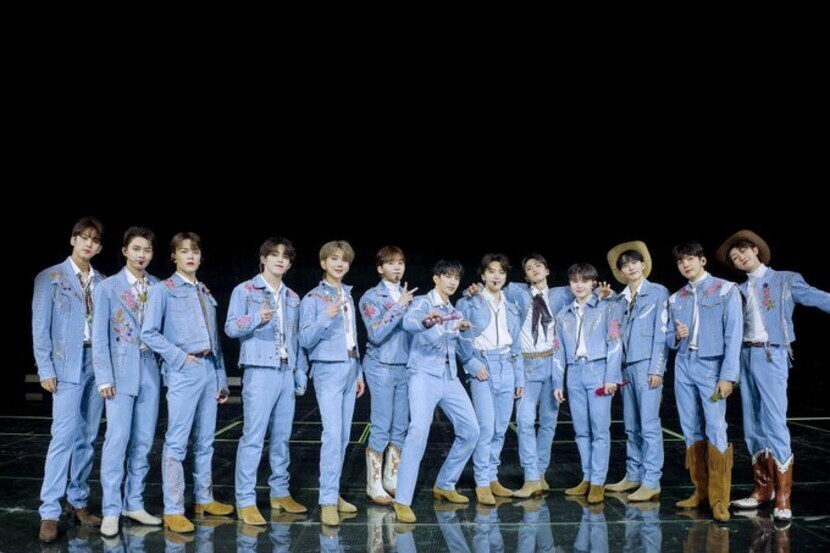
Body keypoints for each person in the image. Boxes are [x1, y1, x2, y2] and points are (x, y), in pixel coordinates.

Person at [717, 230, 830, 521]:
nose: (740, 258)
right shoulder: (736, 290)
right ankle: (762, 489)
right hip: (744, 356)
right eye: (734, 258)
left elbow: (819, 298)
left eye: (743, 252)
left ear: (755, 250)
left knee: (774, 422)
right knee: (752, 424)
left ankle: (783, 496)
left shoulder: (785, 280)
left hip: (771, 354)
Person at [141, 232, 233, 533]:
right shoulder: (163, 290)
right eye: (183, 251)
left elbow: (215, 339)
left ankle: (204, 499)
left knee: (206, 440)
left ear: (200, 256)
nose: (190, 256)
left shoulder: (204, 291)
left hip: (209, 369)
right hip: (184, 370)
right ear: (173, 256)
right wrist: (180, 358)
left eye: (194, 251)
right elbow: (149, 333)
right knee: (177, 441)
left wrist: (220, 377)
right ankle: (173, 509)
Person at [225, 237, 308, 525]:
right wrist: (255, 318)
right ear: (263, 258)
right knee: (254, 436)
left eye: (285, 256)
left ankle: (280, 492)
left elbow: (296, 338)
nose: (280, 259)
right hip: (259, 369)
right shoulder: (245, 290)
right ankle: (245, 500)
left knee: (282, 436)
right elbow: (230, 327)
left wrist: (299, 371)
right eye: (274, 254)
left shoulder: (293, 297)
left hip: (286, 370)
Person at [33, 216, 105, 542]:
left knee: (87, 437)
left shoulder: (103, 282)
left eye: (95, 240)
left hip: (97, 365)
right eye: (84, 237)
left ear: (99, 247)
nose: (89, 243)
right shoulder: (50, 277)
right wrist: (45, 369)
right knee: (62, 438)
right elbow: (40, 327)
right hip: (65, 365)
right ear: (73, 239)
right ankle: (49, 511)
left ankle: (77, 501)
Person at [392, 260, 480, 524]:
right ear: (436, 278)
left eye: (456, 277)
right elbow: (409, 322)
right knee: (418, 431)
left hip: (449, 376)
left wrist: (462, 330)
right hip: (423, 375)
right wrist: (426, 322)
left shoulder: (454, 310)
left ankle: (445, 483)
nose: (452, 281)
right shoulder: (423, 303)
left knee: (471, 430)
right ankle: (402, 500)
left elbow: (458, 344)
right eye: (447, 276)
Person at [92, 226, 163, 536]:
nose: (141, 255)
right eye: (136, 249)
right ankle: (111, 509)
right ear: (124, 251)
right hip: (120, 372)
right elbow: (99, 337)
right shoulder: (108, 287)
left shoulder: (159, 286)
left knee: (144, 440)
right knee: (117, 440)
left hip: (150, 370)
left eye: (147, 250)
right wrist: (104, 377)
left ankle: (134, 503)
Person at [668, 241, 742, 522]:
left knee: (716, 427)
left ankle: (719, 499)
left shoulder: (725, 290)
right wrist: (675, 336)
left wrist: (728, 376)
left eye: (690, 259)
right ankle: (700, 492)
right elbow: (667, 339)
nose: (685, 265)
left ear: (702, 260)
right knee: (689, 428)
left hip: (712, 368)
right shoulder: (676, 298)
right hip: (684, 365)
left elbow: (734, 335)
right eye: (680, 261)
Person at [299, 240, 366, 527]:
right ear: (323, 262)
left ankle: (333, 492)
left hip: (350, 367)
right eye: (334, 259)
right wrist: (325, 317)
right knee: (332, 435)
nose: (340, 264)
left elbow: (352, 336)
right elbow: (304, 339)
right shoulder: (312, 298)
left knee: (344, 437)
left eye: (344, 260)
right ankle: (327, 501)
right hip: (327, 369)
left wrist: (359, 372)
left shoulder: (347, 294)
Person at [502, 253, 574, 497]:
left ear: (547, 270)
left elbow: (588, 291)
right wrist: (473, 291)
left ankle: (540, 473)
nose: (534, 270)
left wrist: (602, 293)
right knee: (524, 421)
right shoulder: (516, 292)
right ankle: (531, 476)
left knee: (548, 422)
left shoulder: (562, 294)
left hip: (552, 363)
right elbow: (491, 288)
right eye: (529, 268)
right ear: (525, 276)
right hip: (526, 364)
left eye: (539, 266)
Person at [604, 241, 669, 502]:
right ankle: (633, 474)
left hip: (646, 366)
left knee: (649, 424)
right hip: (625, 368)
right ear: (620, 271)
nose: (630, 268)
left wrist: (657, 369)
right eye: (625, 265)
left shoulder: (657, 292)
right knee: (631, 425)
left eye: (634, 262)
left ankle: (651, 480)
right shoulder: (619, 299)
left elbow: (661, 334)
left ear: (643, 265)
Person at [457, 253, 524, 504]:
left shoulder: (511, 304)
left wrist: (519, 379)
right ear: (483, 275)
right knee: (485, 428)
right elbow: (459, 335)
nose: (496, 276)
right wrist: (472, 364)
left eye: (501, 272)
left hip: (507, 365)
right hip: (483, 365)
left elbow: (516, 344)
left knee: (500, 429)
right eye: (492, 271)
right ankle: (482, 482)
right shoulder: (469, 301)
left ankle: (492, 477)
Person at [555, 263, 623, 505]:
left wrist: (611, 377)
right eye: (575, 281)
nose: (579, 285)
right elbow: (558, 351)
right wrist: (558, 382)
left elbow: (615, 343)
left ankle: (598, 482)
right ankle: (587, 477)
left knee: (599, 430)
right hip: (574, 373)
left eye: (584, 281)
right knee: (581, 431)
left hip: (598, 370)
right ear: (569, 284)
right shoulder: (563, 314)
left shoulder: (607, 307)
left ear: (593, 283)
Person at [358, 246, 416, 505]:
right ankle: (374, 485)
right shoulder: (370, 297)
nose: (397, 267)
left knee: (400, 426)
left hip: (405, 366)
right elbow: (376, 334)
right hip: (381, 366)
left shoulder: (409, 295)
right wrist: (399, 307)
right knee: (381, 425)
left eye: (400, 262)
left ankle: (391, 479)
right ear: (380, 268)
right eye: (391, 263)